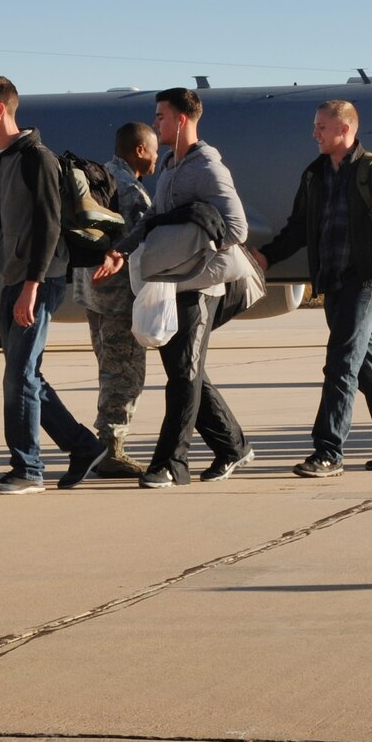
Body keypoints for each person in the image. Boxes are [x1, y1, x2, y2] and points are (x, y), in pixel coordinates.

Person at [92, 87, 253, 488]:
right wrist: (120, 252)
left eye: (161, 116)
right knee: (189, 374)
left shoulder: (208, 169)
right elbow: (153, 222)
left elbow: (237, 229)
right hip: (171, 286)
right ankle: (234, 447)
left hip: (201, 286)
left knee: (183, 376)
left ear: (181, 120)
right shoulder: (168, 164)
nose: (157, 123)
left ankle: (171, 464)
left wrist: (193, 227)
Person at [256, 100, 372, 476]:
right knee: (362, 365)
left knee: (340, 365)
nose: (314, 133)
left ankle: (328, 451)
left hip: (365, 282)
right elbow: (299, 227)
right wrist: (267, 257)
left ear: (345, 129)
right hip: (332, 283)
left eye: (321, 127)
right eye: (315, 126)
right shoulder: (315, 174)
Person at [0, 77, 103, 494]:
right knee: (26, 374)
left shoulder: (38, 159)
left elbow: (48, 226)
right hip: (14, 278)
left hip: (41, 280)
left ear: (0, 109)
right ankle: (82, 446)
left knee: (18, 375)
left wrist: (32, 287)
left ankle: (28, 468)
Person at [75, 122, 157, 478]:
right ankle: (110, 449)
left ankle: (106, 446)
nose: (157, 157)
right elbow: (141, 247)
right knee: (124, 374)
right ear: (139, 150)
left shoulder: (98, 179)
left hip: (93, 296)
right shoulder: (131, 191)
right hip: (120, 300)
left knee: (109, 370)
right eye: (153, 149)